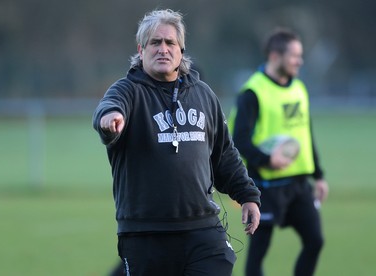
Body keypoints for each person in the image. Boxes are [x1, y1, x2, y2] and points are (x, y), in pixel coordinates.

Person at [93, 9, 261, 276]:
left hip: (202, 230)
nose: (163, 49)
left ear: (181, 49)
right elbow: (110, 109)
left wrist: (248, 196)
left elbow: (224, 156)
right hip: (146, 234)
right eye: (155, 42)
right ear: (141, 49)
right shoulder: (127, 90)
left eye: (170, 42)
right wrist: (109, 120)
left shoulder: (202, 94)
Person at [228, 28, 329, 276]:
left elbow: (306, 134)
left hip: (298, 185)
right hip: (265, 186)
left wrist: (318, 175)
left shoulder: (299, 89)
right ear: (275, 56)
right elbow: (238, 139)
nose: (299, 61)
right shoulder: (253, 92)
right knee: (258, 252)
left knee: (315, 240)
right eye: (294, 55)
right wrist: (266, 160)